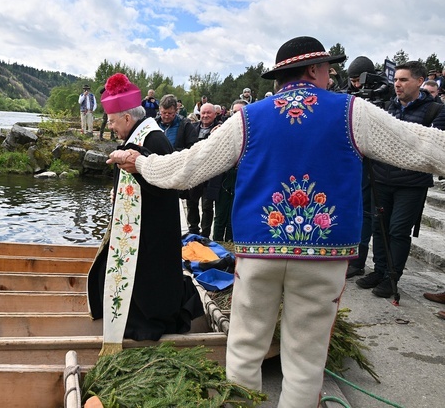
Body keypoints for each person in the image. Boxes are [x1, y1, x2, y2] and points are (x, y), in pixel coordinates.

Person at [107, 36, 445, 407]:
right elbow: (421, 146)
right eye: (328, 70)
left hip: (259, 250)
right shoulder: (354, 112)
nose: (330, 76)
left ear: (281, 78)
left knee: (246, 344)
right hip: (324, 253)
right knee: (305, 357)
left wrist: (139, 162)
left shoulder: (248, 119)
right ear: (315, 70)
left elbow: (187, 168)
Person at [87, 73, 203, 353]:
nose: (111, 127)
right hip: (137, 225)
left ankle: (143, 328)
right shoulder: (140, 134)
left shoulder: (155, 140)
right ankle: (127, 320)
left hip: (151, 228)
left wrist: (135, 169)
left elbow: (165, 187)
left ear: (128, 118)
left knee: (148, 282)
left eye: (113, 121)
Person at [357, 61, 445, 297]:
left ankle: (392, 277)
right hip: (382, 178)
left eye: (404, 80)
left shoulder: (435, 110)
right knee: (380, 227)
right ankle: (379, 270)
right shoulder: (387, 108)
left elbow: (430, 147)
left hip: (411, 184)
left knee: (398, 231)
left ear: (419, 81)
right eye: (395, 79)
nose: (397, 84)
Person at [342, 56, 377, 278]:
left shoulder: (383, 94)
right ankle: (354, 260)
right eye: (352, 81)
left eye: (359, 80)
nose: (356, 86)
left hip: (379, 167)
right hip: (356, 163)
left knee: (372, 214)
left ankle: (372, 264)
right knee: (360, 212)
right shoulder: (347, 96)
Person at [209, 99, 244, 243]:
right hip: (223, 178)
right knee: (220, 214)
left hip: (242, 178)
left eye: (240, 112)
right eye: (234, 112)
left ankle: (231, 242)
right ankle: (217, 243)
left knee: (235, 215)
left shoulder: (253, 130)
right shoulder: (222, 129)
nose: (237, 115)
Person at [184, 103, 218, 238]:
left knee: (207, 206)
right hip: (194, 172)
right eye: (203, 113)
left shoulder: (219, 128)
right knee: (191, 203)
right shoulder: (193, 128)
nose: (205, 116)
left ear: (214, 114)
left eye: (208, 113)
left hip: (210, 173)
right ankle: (193, 230)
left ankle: (205, 234)